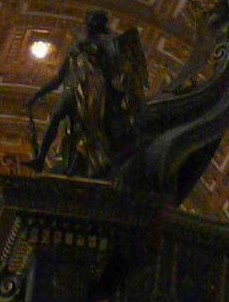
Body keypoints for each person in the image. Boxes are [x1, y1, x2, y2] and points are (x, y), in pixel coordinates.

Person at [27, 9, 145, 176]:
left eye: (90, 21)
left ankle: (86, 159)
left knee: (89, 126)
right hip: (73, 88)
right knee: (55, 116)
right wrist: (37, 95)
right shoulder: (74, 46)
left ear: (97, 24)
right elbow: (59, 77)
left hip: (96, 90)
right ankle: (40, 160)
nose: (87, 24)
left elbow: (118, 69)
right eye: (87, 21)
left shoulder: (108, 43)